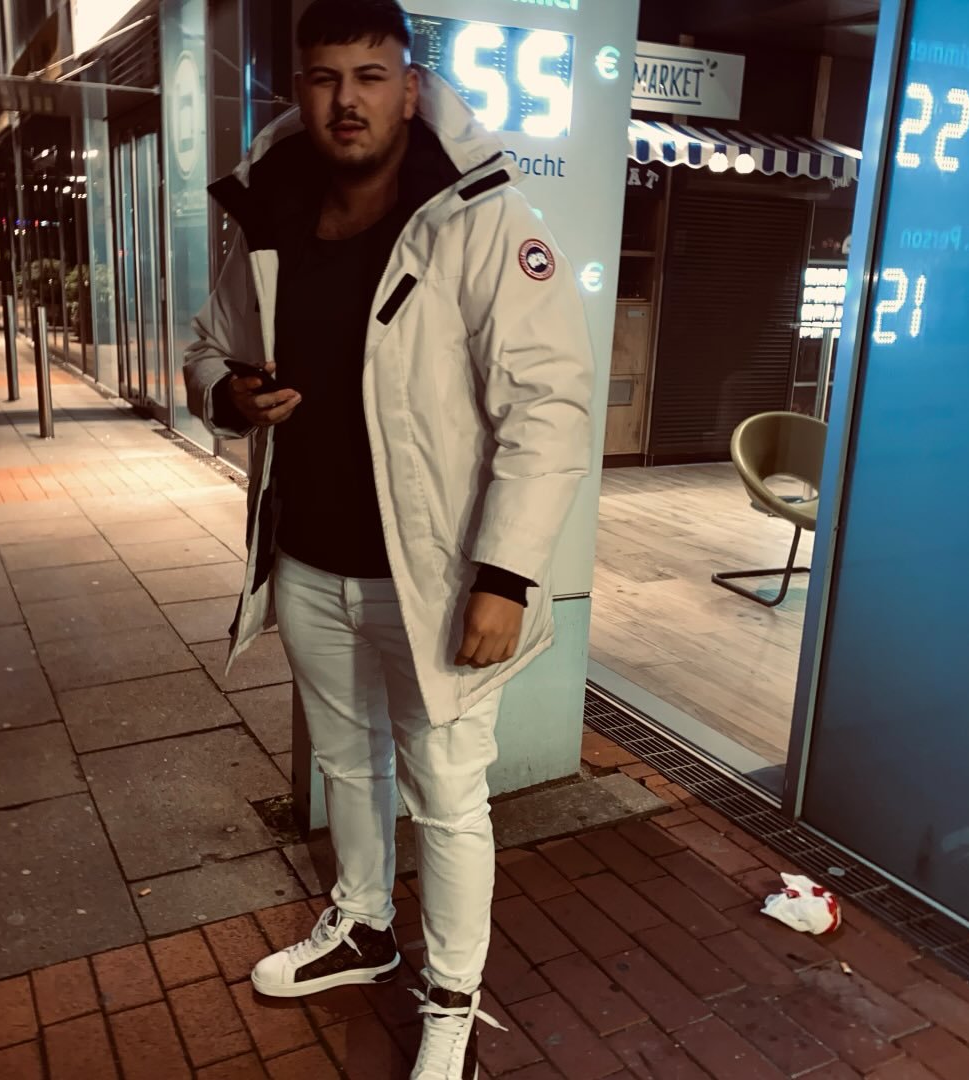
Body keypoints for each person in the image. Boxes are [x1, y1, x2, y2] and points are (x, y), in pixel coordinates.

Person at [183, 1, 592, 1076]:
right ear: (300, 90)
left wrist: (506, 575)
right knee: (346, 763)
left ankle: (452, 995)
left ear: (409, 88)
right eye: (325, 77)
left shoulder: (481, 216)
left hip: (440, 580)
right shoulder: (270, 207)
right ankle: (363, 927)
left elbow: (549, 405)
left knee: (447, 791)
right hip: (310, 559)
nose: (346, 100)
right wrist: (228, 393)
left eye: (370, 76)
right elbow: (210, 344)